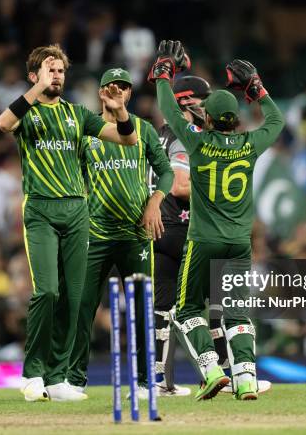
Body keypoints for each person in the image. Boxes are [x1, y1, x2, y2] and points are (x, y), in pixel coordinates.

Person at [0, 44, 137, 402]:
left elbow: (128, 138)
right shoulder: (26, 111)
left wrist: (120, 111)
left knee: (74, 298)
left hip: (77, 212)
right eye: (49, 70)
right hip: (41, 210)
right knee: (47, 291)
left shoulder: (77, 114)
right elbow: (2, 123)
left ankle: (58, 378)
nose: (56, 76)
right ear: (35, 76)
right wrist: (35, 90)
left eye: (60, 71)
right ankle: (32, 373)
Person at [149, 40, 284, 400]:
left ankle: (211, 371)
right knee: (237, 313)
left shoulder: (197, 142)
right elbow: (276, 119)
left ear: (207, 117)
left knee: (186, 309)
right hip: (239, 242)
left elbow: (168, 107)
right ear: (236, 120)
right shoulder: (250, 145)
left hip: (202, 240)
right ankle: (246, 379)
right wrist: (256, 86)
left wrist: (163, 73)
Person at [66, 67, 174, 399]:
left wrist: (155, 202)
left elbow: (166, 173)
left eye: (125, 87)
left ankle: (143, 382)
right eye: (114, 87)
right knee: (83, 306)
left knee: (141, 308)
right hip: (95, 234)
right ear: (101, 93)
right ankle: (73, 380)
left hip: (135, 236)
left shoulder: (142, 129)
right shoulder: (86, 132)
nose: (120, 92)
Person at [151, 75, 211, 396]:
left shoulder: (158, 134)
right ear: (188, 102)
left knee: (164, 309)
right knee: (208, 305)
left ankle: (162, 382)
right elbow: (179, 185)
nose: (208, 106)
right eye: (204, 100)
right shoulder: (183, 135)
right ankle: (215, 375)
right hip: (181, 230)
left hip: (157, 230)